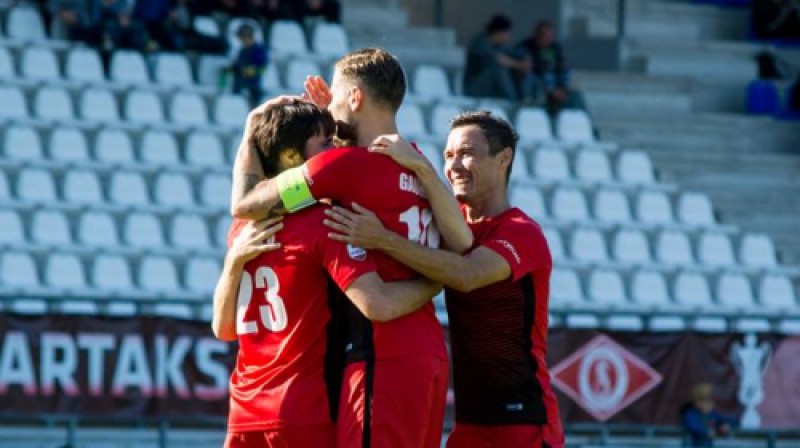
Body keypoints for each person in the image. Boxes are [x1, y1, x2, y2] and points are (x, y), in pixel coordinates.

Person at [230, 48, 472, 448]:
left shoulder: (340, 166)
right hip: (428, 351)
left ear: (356, 98)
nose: (329, 108)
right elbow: (461, 241)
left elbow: (246, 202)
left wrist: (250, 135)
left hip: (381, 352)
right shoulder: (414, 161)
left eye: (338, 96)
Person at [322, 111, 566, 448]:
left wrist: (382, 239)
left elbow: (466, 274)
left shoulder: (522, 233)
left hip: (523, 419)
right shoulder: (445, 221)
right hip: (468, 423)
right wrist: (338, 123)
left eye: (468, 153)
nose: (455, 166)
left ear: (504, 158)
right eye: (448, 156)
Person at [517, 21, 583, 114]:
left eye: (550, 36)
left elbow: (562, 69)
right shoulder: (526, 48)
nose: (547, 39)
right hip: (538, 89)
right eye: (544, 35)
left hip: (557, 89)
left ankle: (587, 126)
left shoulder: (555, 48)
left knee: (576, 96)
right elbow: (530, 74)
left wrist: (562, 88)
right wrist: (550, 90)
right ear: (537, 35)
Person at [463, 14, 532, 102]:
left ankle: (526, 99)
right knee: (498, 71)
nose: (508, 36)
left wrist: (525, 60)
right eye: (507, 33)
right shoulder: (480, 42)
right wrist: (517, 65)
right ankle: (513, 103)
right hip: (473, 88)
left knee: (520, 69)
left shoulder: (499, 46)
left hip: (491, 88)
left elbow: (515, 54)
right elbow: (498, 59)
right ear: (498, 32)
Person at [679, 383, 737, 447]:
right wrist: (706, 431)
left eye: (710, 401)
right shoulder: (690, 414)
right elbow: (693, 426)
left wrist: (726, 424)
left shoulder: (712, 415)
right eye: (705, 401)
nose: (709, 404)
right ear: (696, 402)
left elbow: (728, 419)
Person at [230, 23, 268, 108]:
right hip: (240, 83)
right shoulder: (242, 51)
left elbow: (262, 68)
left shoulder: (258, 51)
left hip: (253, 84)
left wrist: (250, 71)